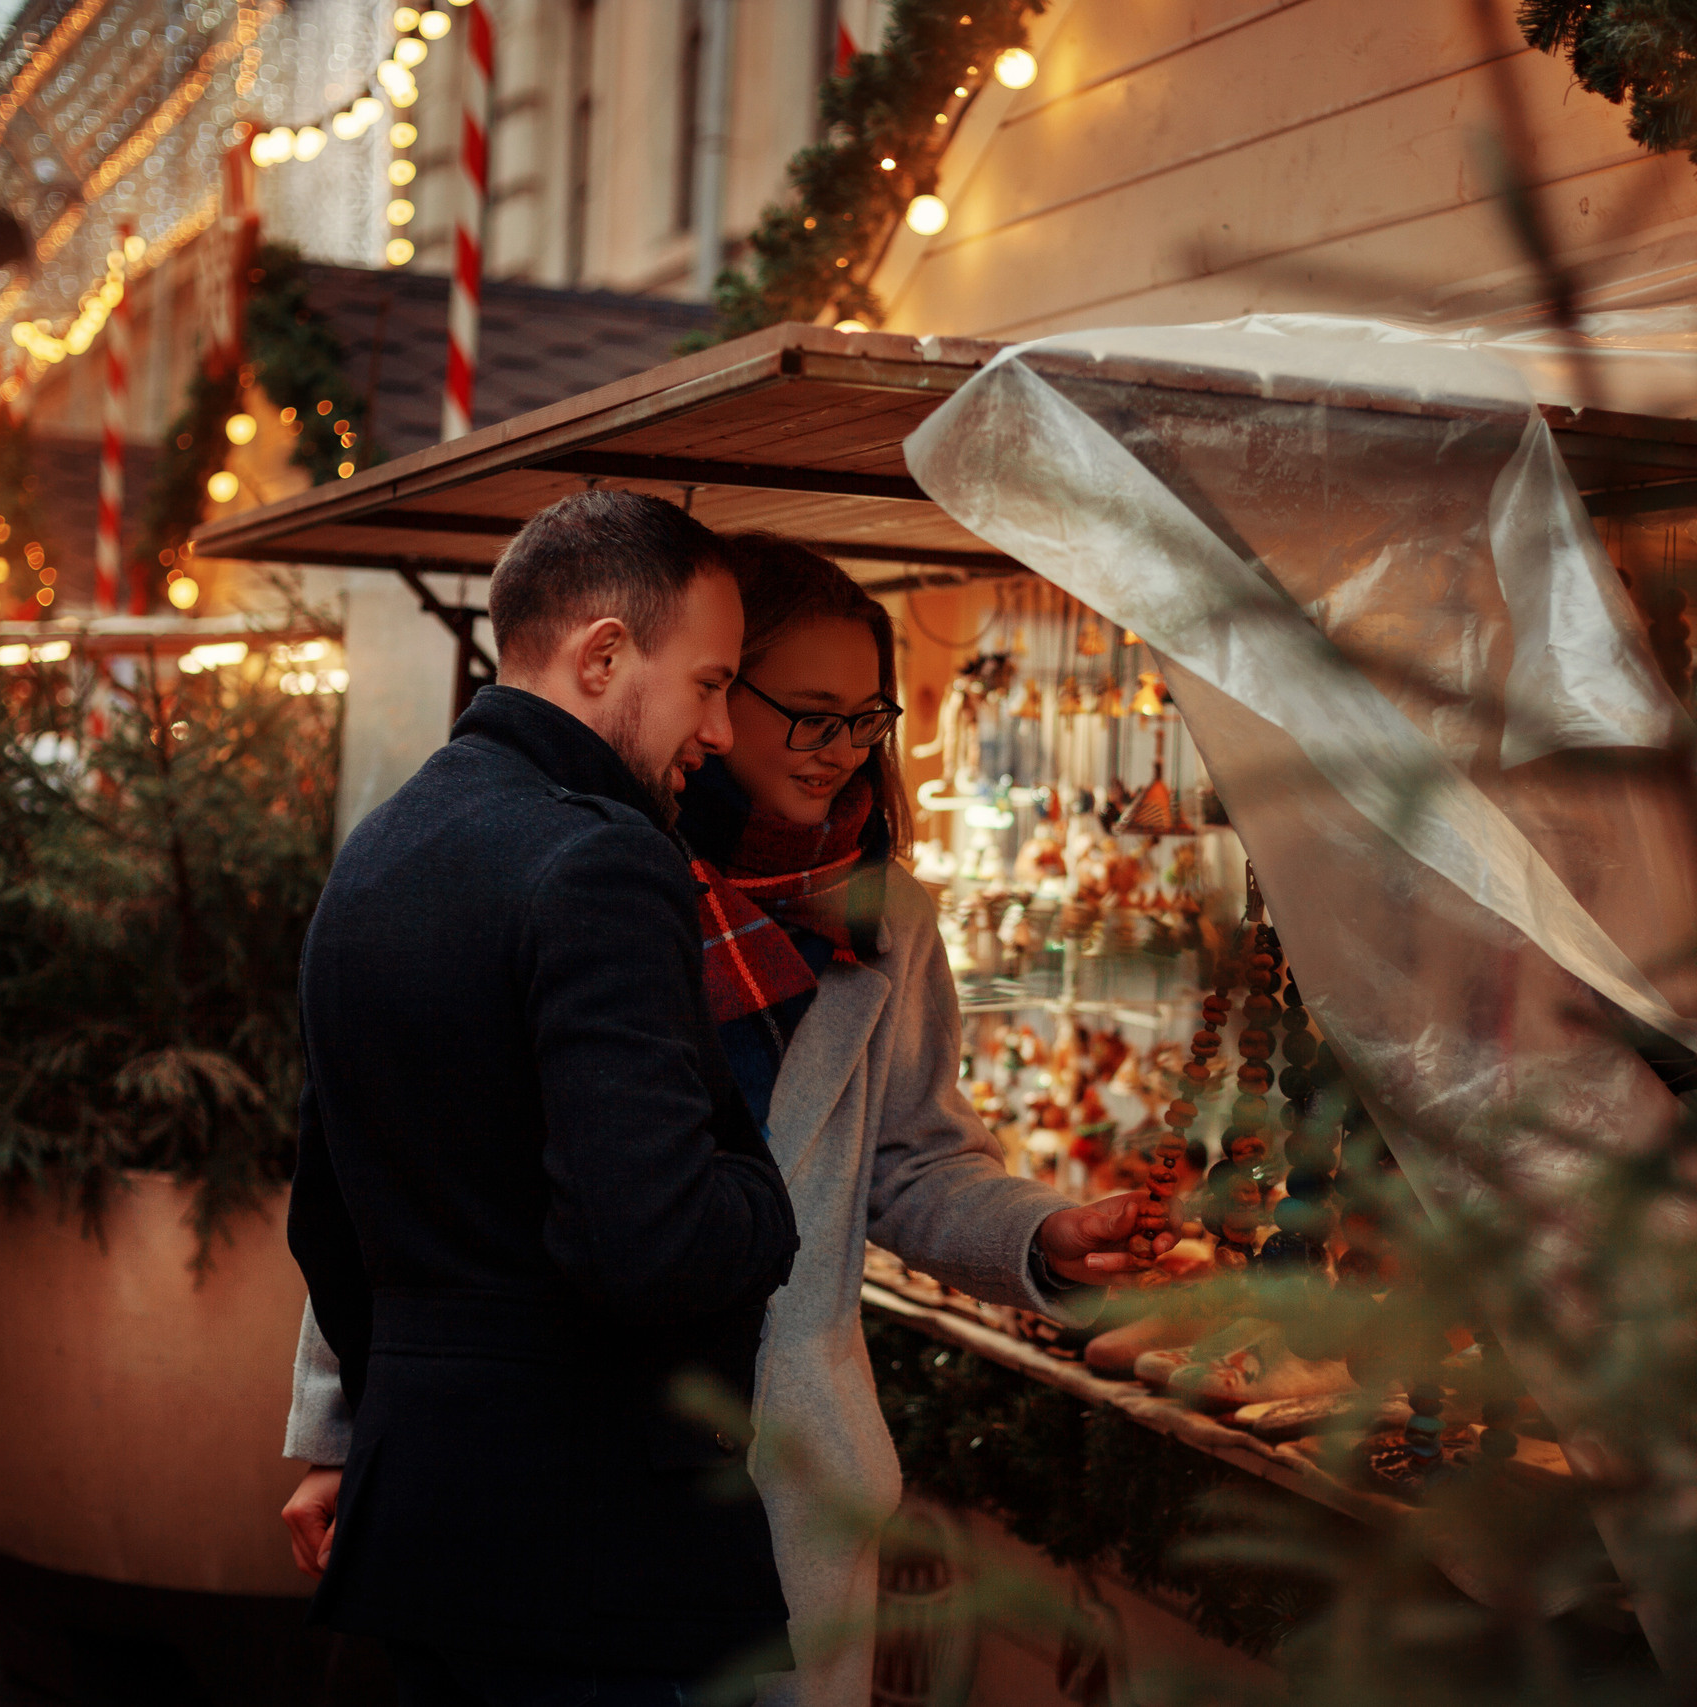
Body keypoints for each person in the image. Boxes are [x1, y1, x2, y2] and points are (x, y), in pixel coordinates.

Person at [283, 535, 1166, 1706]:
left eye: (867, 718)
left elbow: (913, 1160)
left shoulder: (881, 921)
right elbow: (403, 1168)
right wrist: (341, 1427)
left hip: (789, 1464)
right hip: (581, 1463)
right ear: (714, 681)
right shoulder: (582, 866)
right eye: (806, 713)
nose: (842, 748)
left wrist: (1038, 1234)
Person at [283, 491, 803, 1706]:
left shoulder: (378, 848)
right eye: (709, 684)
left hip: (418, 1532)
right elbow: (650, 1243)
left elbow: (326, 1214)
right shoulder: (604, 859)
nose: (721, 730)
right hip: (591, 1553)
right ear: (603, 655)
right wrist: (761, 1201)